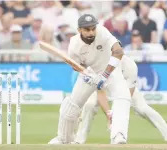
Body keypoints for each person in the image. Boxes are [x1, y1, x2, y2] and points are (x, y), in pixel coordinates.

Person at [48, 14, 132, 144]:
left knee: (123, 96)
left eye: (93, 28)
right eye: (87, 30)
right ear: (79, 30)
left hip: (110, 70)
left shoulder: (102, 32)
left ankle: (118, 135)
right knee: (72, 104)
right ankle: (64, 138)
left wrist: (104, 75)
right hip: (89, 72)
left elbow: (118, 52)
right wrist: (88, 75)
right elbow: (77, 66)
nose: (91, 32)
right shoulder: (74, 44)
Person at [73, 55, 167, 144]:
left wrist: (116, 115)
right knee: (90, 105)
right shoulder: (98, 63)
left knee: (143, 109)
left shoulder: (130, 65)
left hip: (124, 89)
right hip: (103, 88)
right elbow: (100, 92)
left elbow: (127, 95)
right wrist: (109, 114)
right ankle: (79, 140)